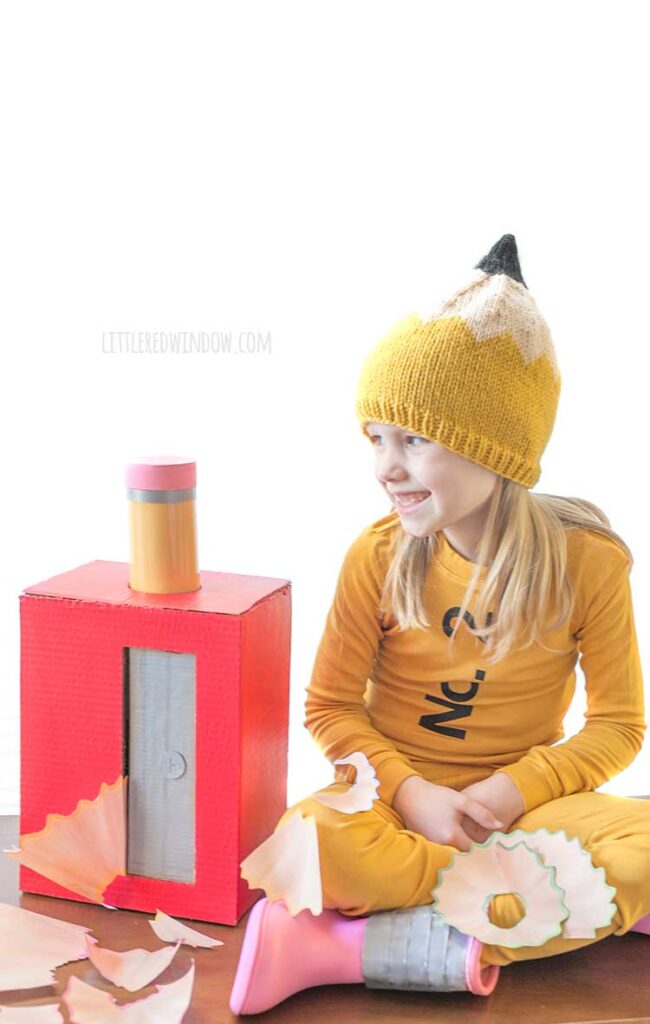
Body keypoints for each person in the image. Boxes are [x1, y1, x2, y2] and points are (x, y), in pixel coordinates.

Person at [229, 233, 649, 1015]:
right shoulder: (378, 556)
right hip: (396, 807)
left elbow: (619, 726)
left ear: (499, 450)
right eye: (376, 438)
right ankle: (547, 906)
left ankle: (348, 949)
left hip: (519, 814)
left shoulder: (588, 562)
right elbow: (331, 708)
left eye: (414, 440)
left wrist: (517, 788)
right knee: (312, 840)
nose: (385, 467)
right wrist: (413, 793)